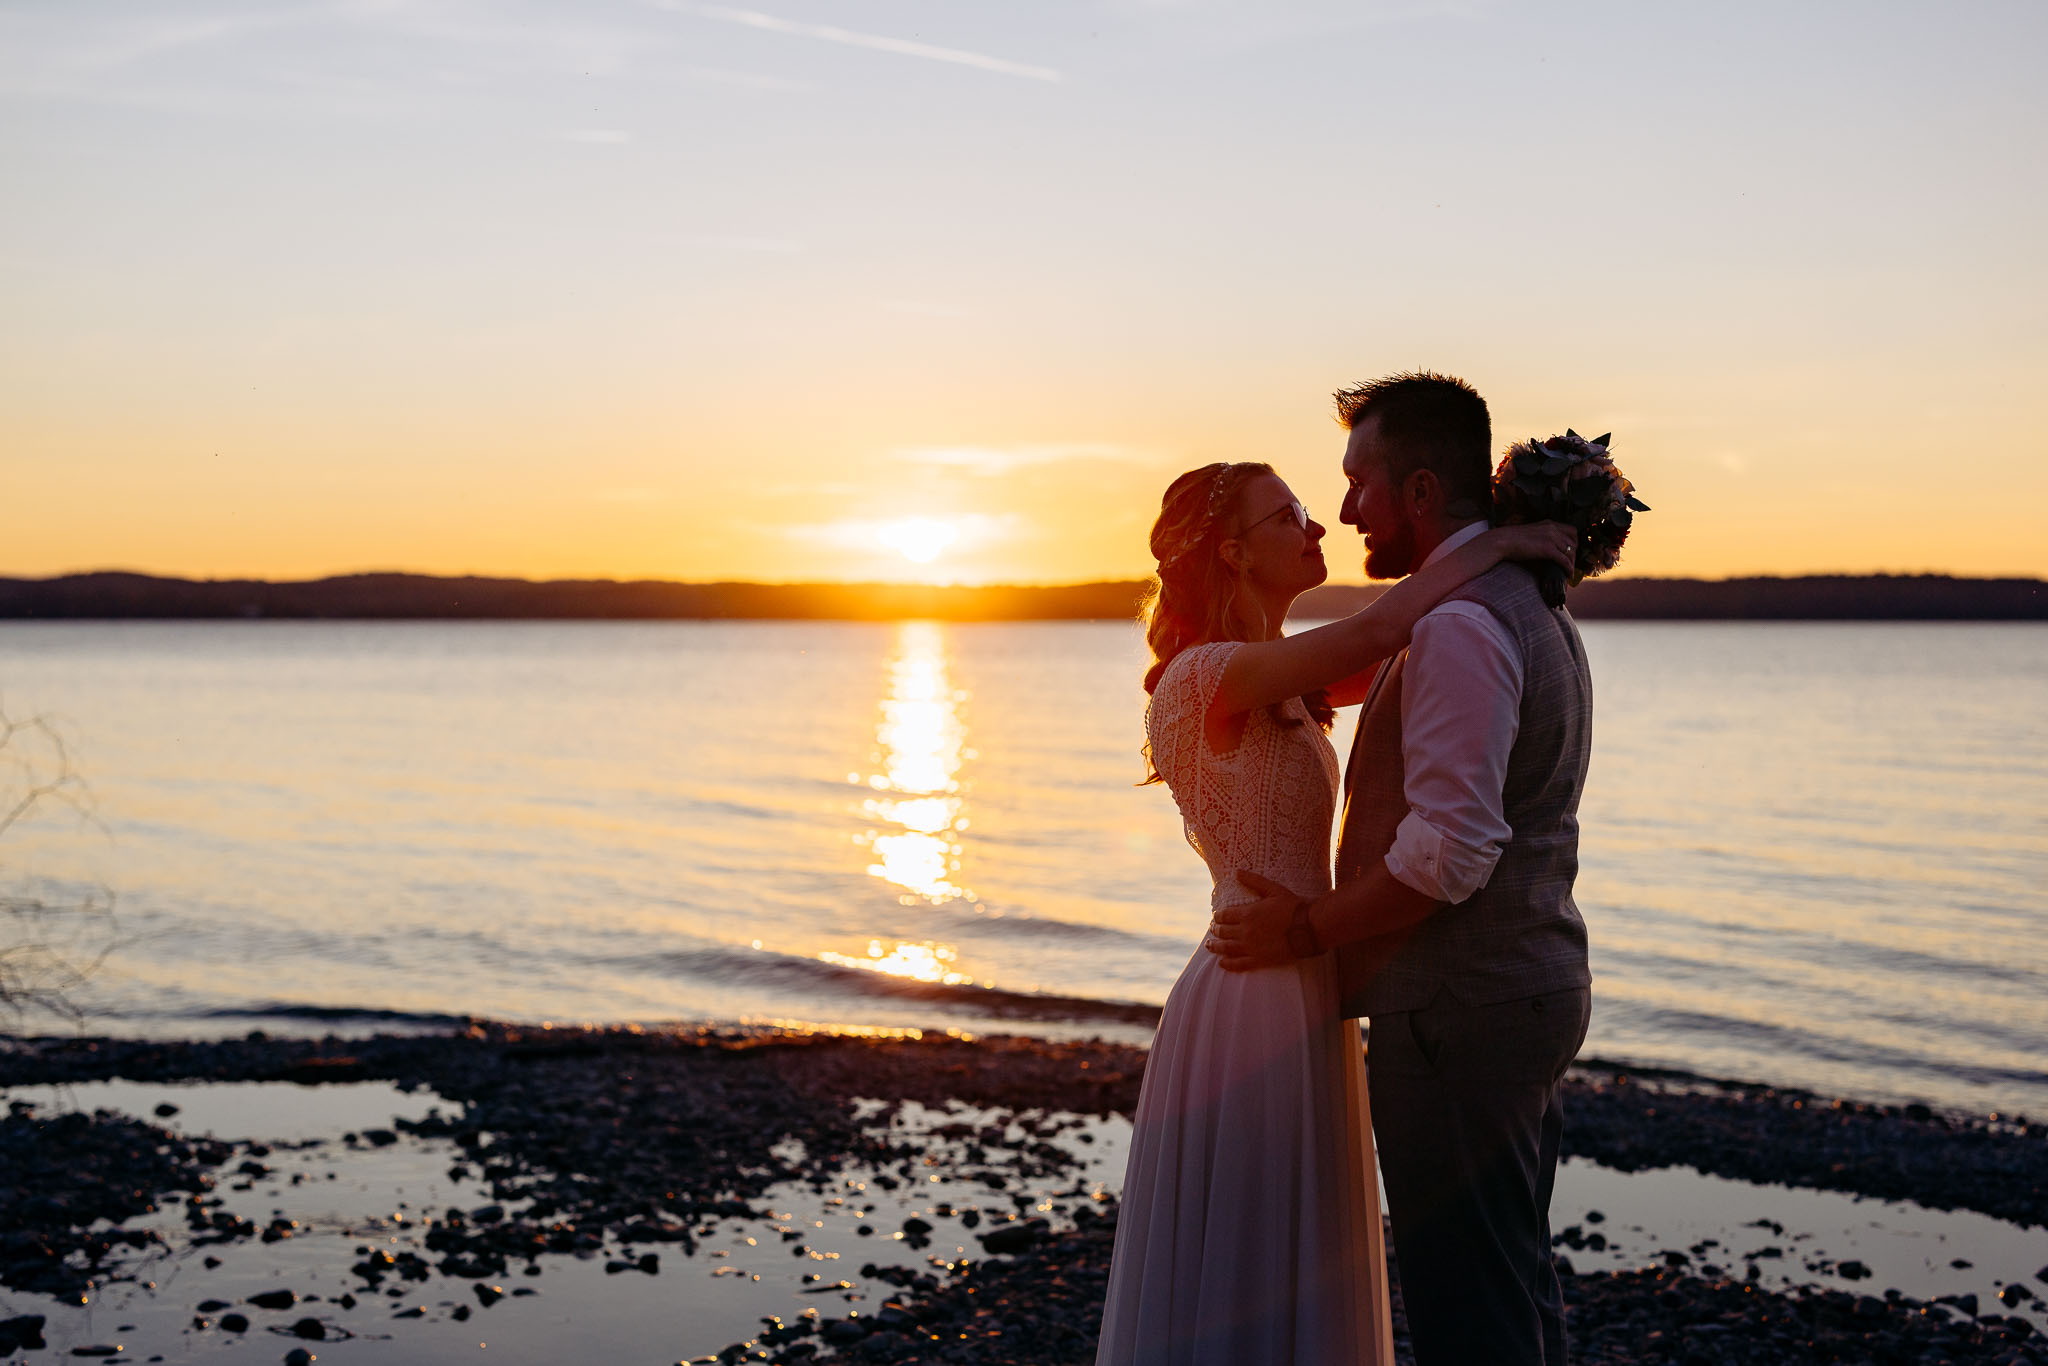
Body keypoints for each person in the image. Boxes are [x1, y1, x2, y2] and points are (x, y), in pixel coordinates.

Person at [1094, 456, 1573, 1366]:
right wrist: (1501, 539)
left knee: (1299, 1249)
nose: (1317, 529)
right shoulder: (1204, 677)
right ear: (1233, 553)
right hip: (1252, 987)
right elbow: (1390, 622)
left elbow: (1405, 645)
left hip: (1307, 976)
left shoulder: (1280, 679)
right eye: (1292, 516)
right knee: (1251, 1254)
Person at [1208, 372, 1597, 1366]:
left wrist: (1302, 928)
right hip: (1520, 983)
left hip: (1459, 1008)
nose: (1340, 512)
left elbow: (1446, 854)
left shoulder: (1462, 625)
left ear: (1419, 493)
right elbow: (1360, 649)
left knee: (1469, 1301)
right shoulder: (1512, 603)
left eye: (1355, 483)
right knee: (1506, 1276)